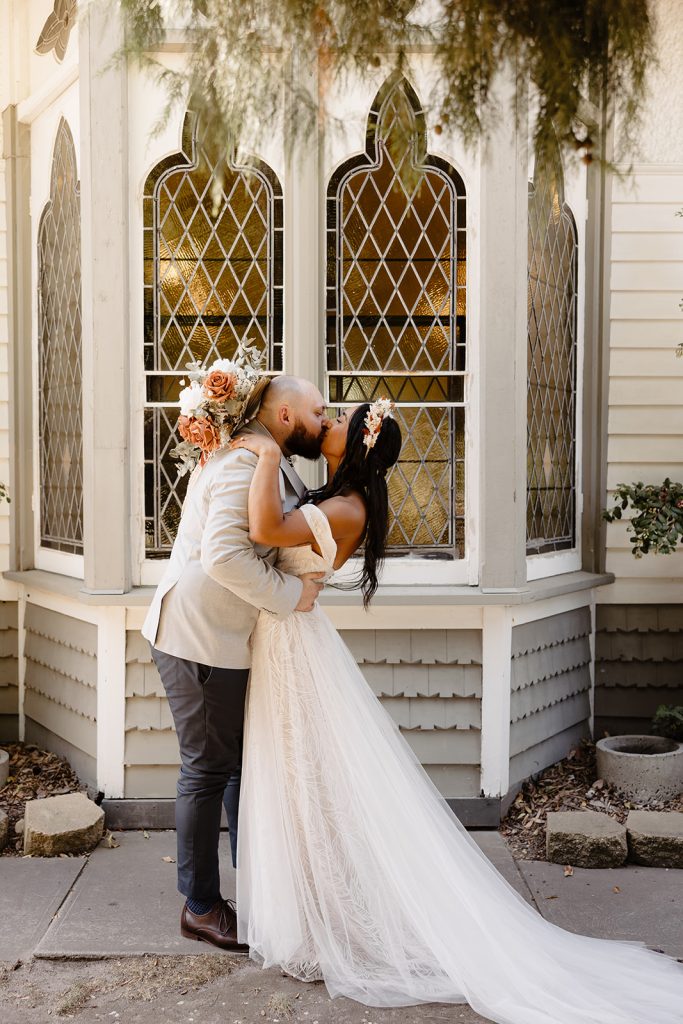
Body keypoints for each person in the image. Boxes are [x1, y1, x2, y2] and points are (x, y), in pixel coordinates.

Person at [228, 400, 683, 1023]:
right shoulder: (333, 492)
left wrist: (267, 451)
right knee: (298, 784)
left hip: (293, 649)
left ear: (353, 446)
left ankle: (332, 923)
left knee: (313, 785)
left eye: (334, 420)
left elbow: (262, 532)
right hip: (287, 637)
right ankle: (310, 913)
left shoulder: (345, 506)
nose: (324, 420)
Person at [142, 374, 330, 952]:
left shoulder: (267, 456)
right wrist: (288, 595)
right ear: (283, 417)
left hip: (228, 638)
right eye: (317, 412)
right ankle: (199, 905)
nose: (324, 421)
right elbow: (222, 555)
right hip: (198, 637)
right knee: (207, 769)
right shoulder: (245, 463)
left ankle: (256, 883)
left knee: (240, 765)